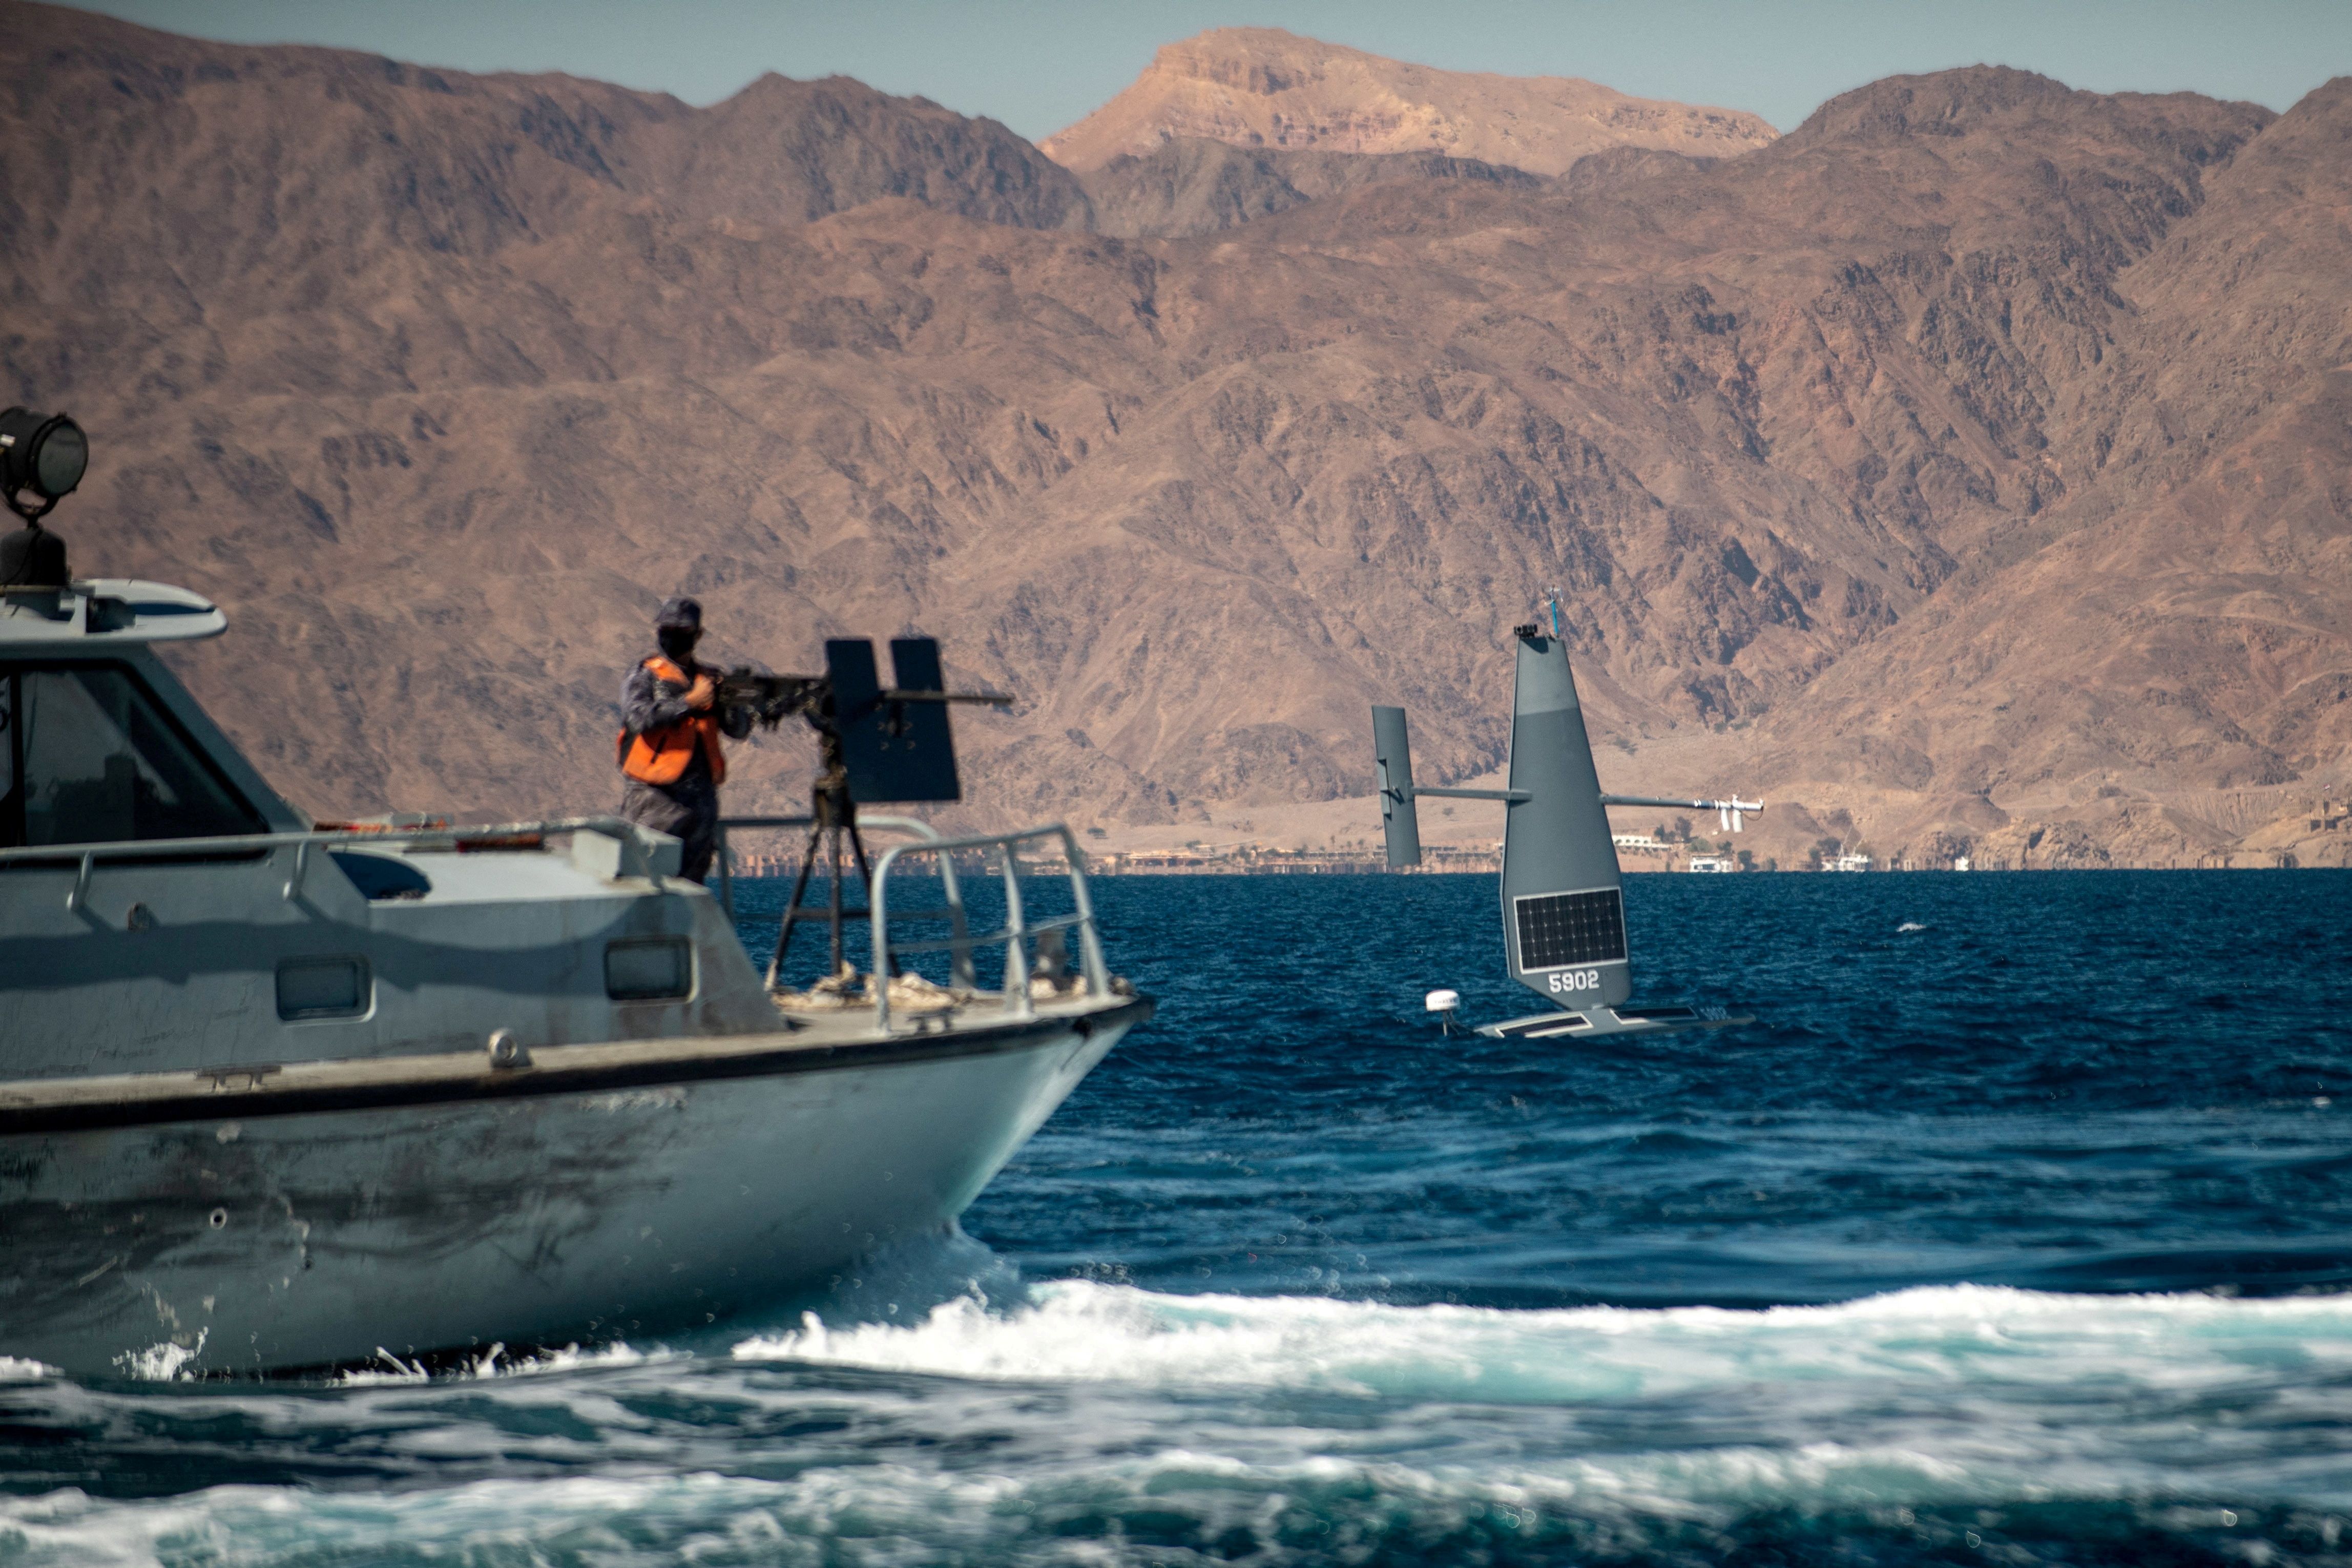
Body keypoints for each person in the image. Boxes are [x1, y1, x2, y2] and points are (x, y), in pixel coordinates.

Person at [617, 597, 751, 882]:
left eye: (682, 631)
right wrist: (689, 701)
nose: (672, 636)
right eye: (667, 629)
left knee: (692, 883)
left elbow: (738, 730)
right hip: (654, 800)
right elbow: (638, 718)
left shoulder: (710, 679)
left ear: (698, 635)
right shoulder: (646, 674)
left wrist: (735, 700)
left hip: (700, 803)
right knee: (643, 880)